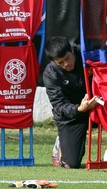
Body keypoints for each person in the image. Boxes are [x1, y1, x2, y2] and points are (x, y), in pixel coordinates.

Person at [42, 36, 100, 168]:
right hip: (71, 117)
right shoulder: (50, 73)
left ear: (72, 51)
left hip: (97, 106)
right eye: (60, 63)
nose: (65, 64)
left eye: (67, 59)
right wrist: (79, 109)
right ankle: (61, 142)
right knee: (71, 164)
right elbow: (59, 105)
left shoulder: (87, 55)